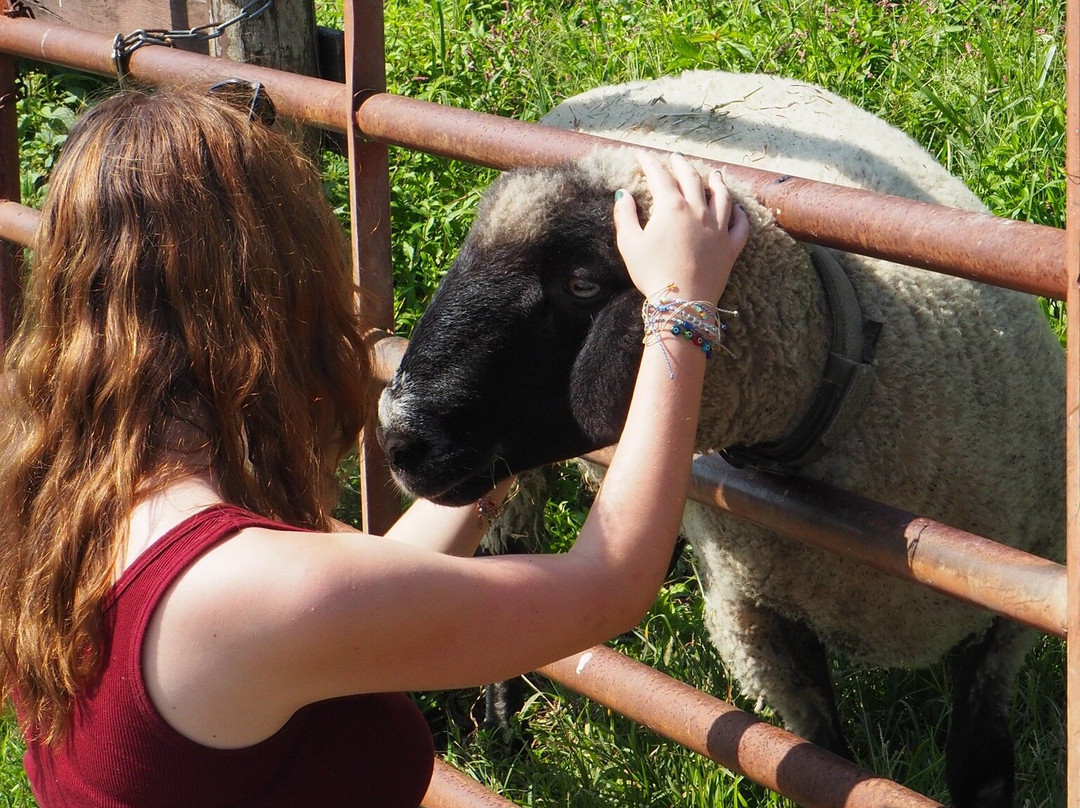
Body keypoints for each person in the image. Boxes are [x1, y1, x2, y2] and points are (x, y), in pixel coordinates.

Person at [0, 86, 749, 807]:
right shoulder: (253, 590)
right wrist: (681, 309)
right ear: (273, 289)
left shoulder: (66, 507)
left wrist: (492, 451)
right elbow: (608, 587)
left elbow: (386, 582)